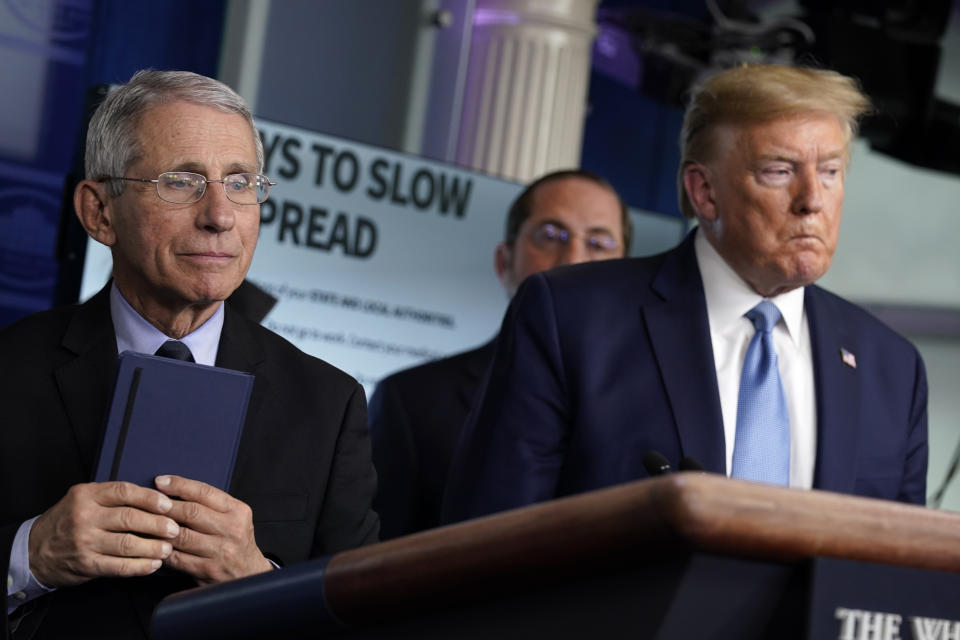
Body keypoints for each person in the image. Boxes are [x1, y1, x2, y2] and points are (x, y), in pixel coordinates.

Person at [442, 64, 928, 525]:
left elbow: (896, 581)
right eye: (779, 171)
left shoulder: (892, 369)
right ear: (705, 192)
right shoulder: (570, 319)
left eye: (830, 172)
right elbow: (488, 535)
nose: (812, 201)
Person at [2, 70, 379, 637]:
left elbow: (364, 620)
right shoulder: (9, 369)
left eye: (240, 182)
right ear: (100, 212)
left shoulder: (328, 404)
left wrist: (257, 580)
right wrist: (31, 557)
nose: (220, 215)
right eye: (181, 181)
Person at [369, 170, 631, 539]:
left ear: (626, 277)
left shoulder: (655, 404)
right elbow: (374, 567)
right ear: (503, 261)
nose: (573, 259)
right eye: (551, 235)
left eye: (599, 244)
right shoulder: (411, 401)